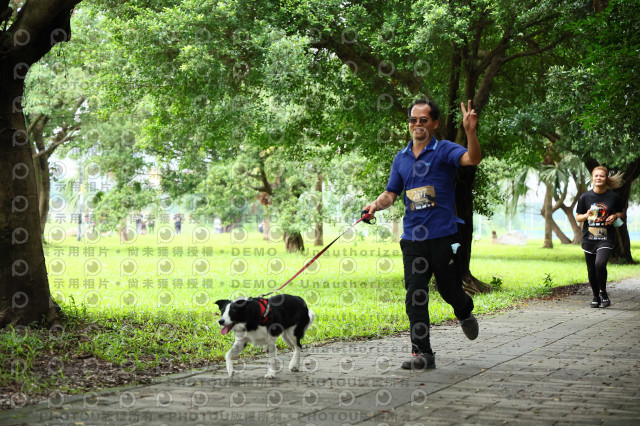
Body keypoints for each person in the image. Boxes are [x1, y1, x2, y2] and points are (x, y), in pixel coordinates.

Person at [363, 99, 481, 370]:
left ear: (434, 123)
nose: (418, 124)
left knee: (450, 291)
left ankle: (464, 309)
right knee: (415, 294)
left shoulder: (444, 151)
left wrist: (470, 131)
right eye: (413, 120)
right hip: (413, 240)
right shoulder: (401, 158)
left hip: (443, 238)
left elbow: (472, 158)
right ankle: (422, 353)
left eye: (424, 120)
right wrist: (374, 206)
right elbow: (391, 192)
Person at [575, 166, 624, 309]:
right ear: (592, 178)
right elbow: (578, 217)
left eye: (601, 176)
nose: (598, 178)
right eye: (596, 176)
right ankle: (595, 296)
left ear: (606, 178)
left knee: (600, 264)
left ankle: (603, 292)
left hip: (606, 237)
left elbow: (621, 213)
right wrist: (587, 215)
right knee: (591, 270)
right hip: (589, 238)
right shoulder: (585, 197)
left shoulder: (613, 197)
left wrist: (614, 216)